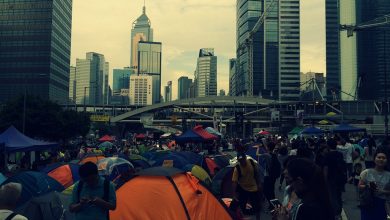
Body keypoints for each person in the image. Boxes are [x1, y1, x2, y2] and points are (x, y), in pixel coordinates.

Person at [358, 149, 390, 220]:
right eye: (379, 157)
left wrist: (382, 191)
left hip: (382, 204)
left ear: (387, 160)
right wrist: (368, 186)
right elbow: (360, 186)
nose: (381, 159)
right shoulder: (366, 172)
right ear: (374, 159)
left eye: (384, 158)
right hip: (367, 202)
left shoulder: (389, 175)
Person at [232, 153, 262, 220]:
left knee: (257, 207)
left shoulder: (251, 162)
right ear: (238, 160)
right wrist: (234, 194)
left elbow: (256, 173)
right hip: (243, 189)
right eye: (240, 161)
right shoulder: (237, 168)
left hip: (253, 188)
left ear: (245, 158)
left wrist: (259, 184)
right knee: (239, 207)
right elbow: (234, 182)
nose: (242, 162)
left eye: (243, 160)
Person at [323, 138, 347, 220]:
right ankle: (339, 212)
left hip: (331, 178)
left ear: (328, 146)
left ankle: (336, 214)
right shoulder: (339, 154)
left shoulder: (327, 155)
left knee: (332, 196)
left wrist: (324, 180)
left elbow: (326, 169)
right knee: (339, 195)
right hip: (340, 177)